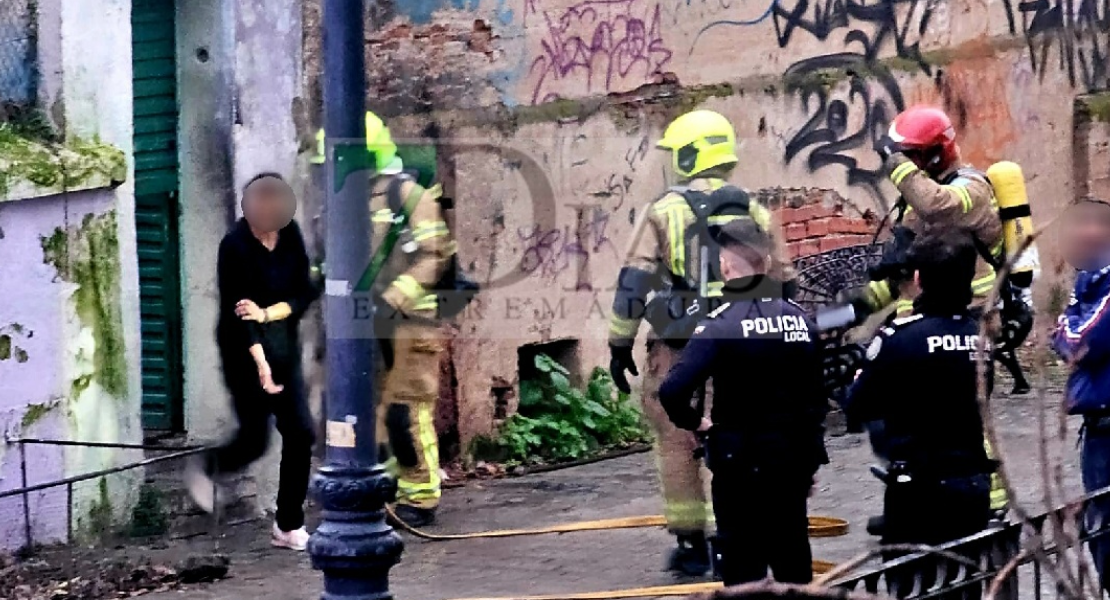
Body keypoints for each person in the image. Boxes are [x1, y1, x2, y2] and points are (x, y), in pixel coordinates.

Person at [607, 109, 797, 576]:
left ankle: (691, 545)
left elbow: (634, 283)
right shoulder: (754, 209)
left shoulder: (664, 210)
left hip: (678, 346)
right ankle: (738, 535)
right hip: (741, 344)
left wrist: (618, 344)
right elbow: (784, 282)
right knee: (732, 433)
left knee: (676, 442)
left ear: (691, 155)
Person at [657, 218, 828, 586]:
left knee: (743, 572)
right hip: (791, 462)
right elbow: (816, 400)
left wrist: (696, 424)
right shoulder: (800, 320)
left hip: (740, 466)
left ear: (726, 267)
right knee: (793, 563)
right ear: (766, 265)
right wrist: (810, 460)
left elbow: (672, 391)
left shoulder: (719, 325)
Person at [845, 230, 995, 596]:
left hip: (919, 490)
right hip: (971, 485)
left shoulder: (899, 336)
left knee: (916, 585)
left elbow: (857, 405)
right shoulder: (980, 338)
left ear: (918, 279)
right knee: (966, 582)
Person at [185, 172, 321, 551]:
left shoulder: (289, 234)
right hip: (242, 350)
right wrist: (261, 365)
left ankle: (288, 524)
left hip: (282, 345)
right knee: (255, 439)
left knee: (301, 432)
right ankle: (208, 465)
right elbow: (239, 313)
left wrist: (271, 313)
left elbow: (305, 291)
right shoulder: (235, 246)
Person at [364, 111, 457, 528]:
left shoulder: (409, 195)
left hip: (410, 322)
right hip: (367, 323)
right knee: (376, 409)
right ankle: (389, 485)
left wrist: (394, 298)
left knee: (407, 410)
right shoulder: (347, 198)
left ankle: (421, 496)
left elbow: (435, 254)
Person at [1052, 197, 1110, 593]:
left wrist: (1063, 329)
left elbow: (1079, 340)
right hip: (1097, 427)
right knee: (1102, 533)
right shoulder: (1087, 281)